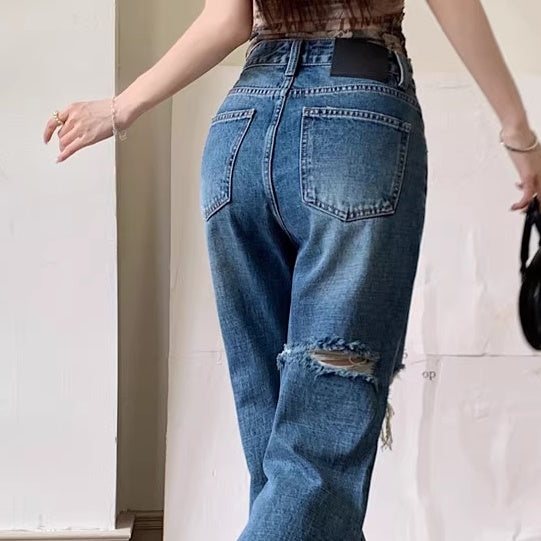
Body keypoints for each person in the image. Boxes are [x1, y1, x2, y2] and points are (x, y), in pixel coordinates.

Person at [43, 0, 541, 539]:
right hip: (354, 123)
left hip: (241, 132)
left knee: (278, 448)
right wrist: (519, 134)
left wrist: (119, 108)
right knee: (317, 454)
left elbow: (227, 20)